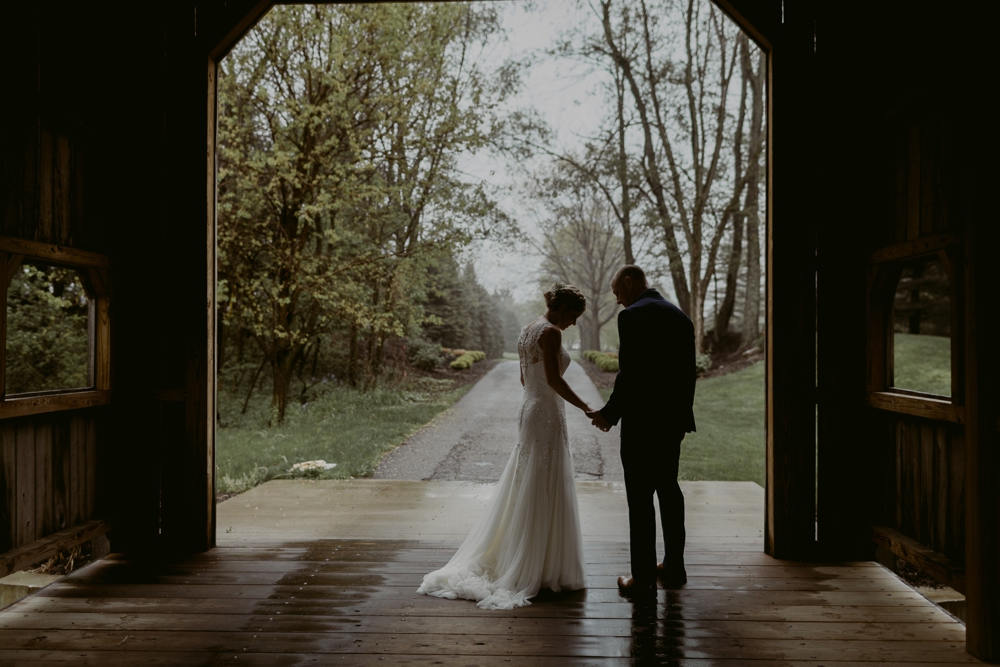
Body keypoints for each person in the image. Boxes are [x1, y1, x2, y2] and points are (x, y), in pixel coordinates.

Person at [416, 284, 594, 609]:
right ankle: (537, 566)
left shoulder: (528, 329)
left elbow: (526, 380)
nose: (573, 323)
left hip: (529, 408)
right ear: (563, 309)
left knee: (529, 478)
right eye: (573, 316)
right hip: (547, 412)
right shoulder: (551, 333)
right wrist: (587, 407)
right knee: (543, 480)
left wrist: (543, 395)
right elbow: (553, 380)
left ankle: (527, 556)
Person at [587, 265, 696, 597]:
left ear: (630, 283)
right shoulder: (680, 317)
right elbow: (688, 375)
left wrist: (609, 414)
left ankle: (643, 577)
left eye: (617, 292)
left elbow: (630, 374)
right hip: (670, 425)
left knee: (640, 498)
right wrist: (681, 420)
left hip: (642, 425)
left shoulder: (632, 316)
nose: (618, 300)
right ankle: (674, 568)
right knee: (669, 491)